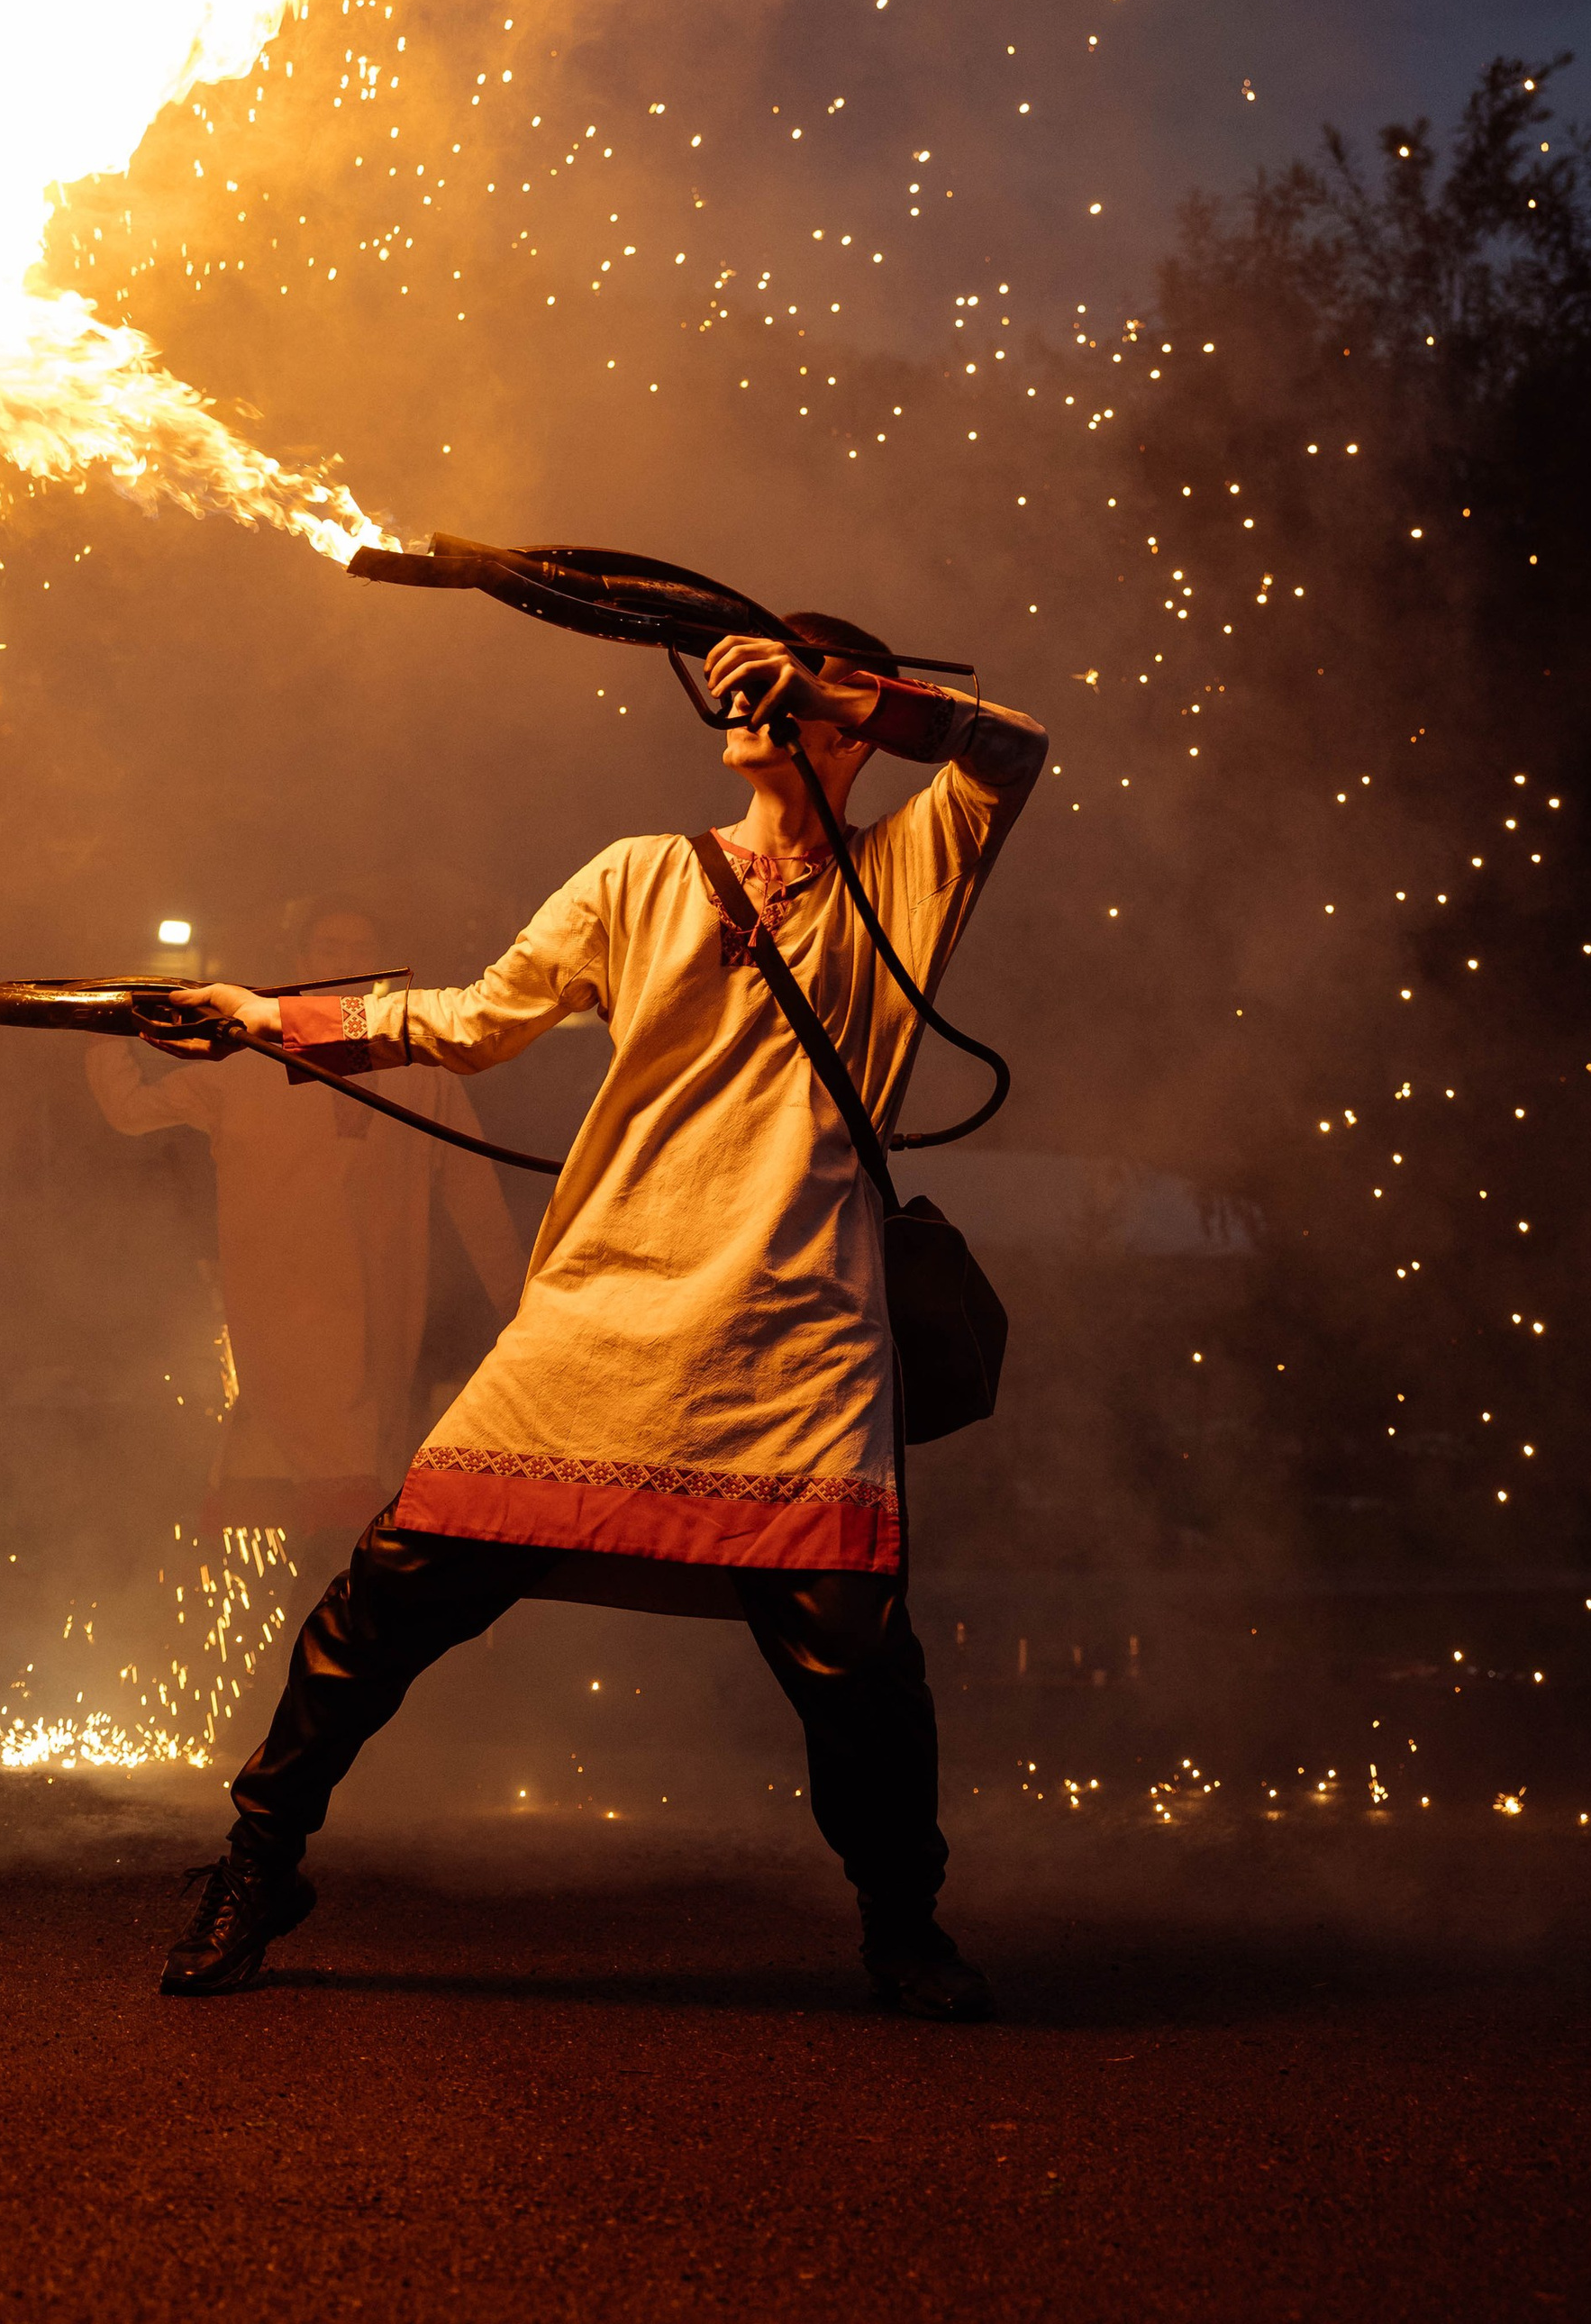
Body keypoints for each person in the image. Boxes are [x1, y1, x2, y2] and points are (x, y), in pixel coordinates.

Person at [147, 620, 1046, 2020]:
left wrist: (836, 683)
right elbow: (471, 1020)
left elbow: (1012, 748)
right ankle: (258, 1862)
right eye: (755, 681)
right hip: (599, 1318)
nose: (747, 699)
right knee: (380, 1606)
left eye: (793, 688)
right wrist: (270, 1019)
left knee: (858, 1666)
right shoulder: (640, 875)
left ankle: (903, 1928)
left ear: (850, 725)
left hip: (794, 1337)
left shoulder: (906, 869)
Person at [86, 902, 529, 1586]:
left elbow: (473, 1190)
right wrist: (102, 1027)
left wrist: (521, 1306)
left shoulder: (419, 1069)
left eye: (358, 947)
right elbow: (130, 1111)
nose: (341, 960)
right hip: (282, 1319)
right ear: (300, 964)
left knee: (365, 1524)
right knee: (300, 1524)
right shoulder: (244, 1065)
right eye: (327, 947)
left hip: (381, 1319)